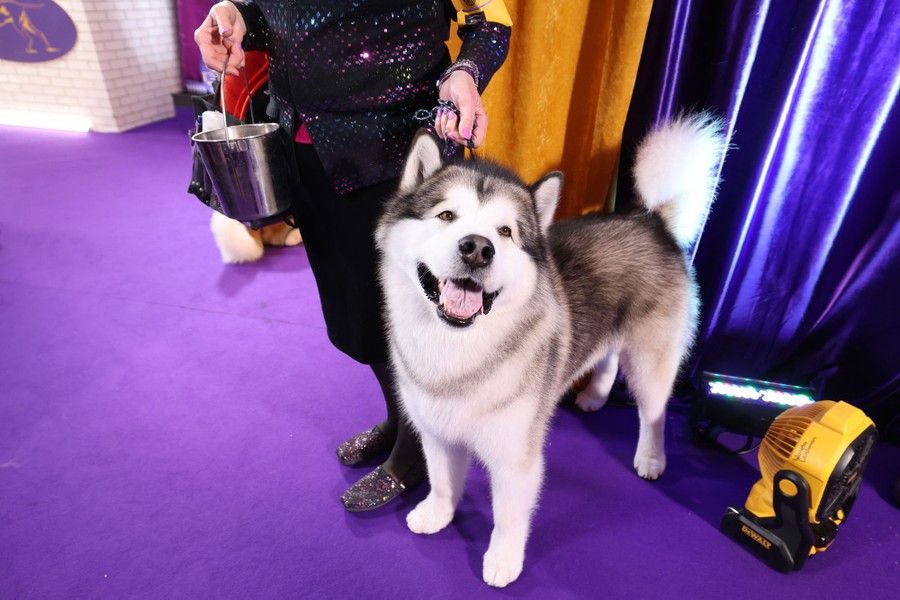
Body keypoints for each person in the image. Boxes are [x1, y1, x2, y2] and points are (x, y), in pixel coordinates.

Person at [194, 0, 512, 511]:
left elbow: (491, 17)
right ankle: (402, 420)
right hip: (303, 143)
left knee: (406, 320)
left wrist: (467, 71)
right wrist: (233, 13)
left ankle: (418, 451)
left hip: (396, 153)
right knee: (354, 309)